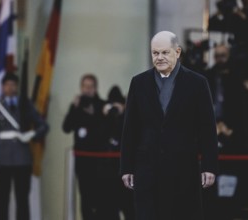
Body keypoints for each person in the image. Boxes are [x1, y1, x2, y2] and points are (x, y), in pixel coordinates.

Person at [120, 31, 218, 220]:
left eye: (165, 52)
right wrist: (126, 168)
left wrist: (209, 165)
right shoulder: (138, 83)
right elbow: (130, 129)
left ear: (178, 52)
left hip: (184, 171)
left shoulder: (197, 83)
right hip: (147, 170)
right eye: (155, 53)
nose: (160, 57)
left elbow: (207, 128)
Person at [0, 73, 48, 220]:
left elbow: (43, 126)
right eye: (7, 84)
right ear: (2, 87)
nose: (10, 87)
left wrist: (32, 134)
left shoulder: (25, 105)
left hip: (22, 158)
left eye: (13, 84)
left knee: (22, 200)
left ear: (17, 86)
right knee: (2, 199)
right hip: (3, 158)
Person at [62, 74, 105, 220]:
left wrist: (93, 114)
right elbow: (66, 128)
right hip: (82, 161)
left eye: (90, 87)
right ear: (81, 88)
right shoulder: (77, 105)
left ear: (95, 88)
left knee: (99, 199)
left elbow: (104, 132)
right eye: (85, 87)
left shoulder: (101, 105)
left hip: (99, 162)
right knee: (85, 198)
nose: (87, 90)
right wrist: (74, 108)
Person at [98, 85, 134, 220]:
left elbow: (129, 135)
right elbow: (100, 137)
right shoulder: (104, 118)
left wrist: (124, 113)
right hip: (107, 173)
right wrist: (105, 116)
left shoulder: (128, 116)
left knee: (129, 208)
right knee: (109, 210)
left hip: (126, 173)